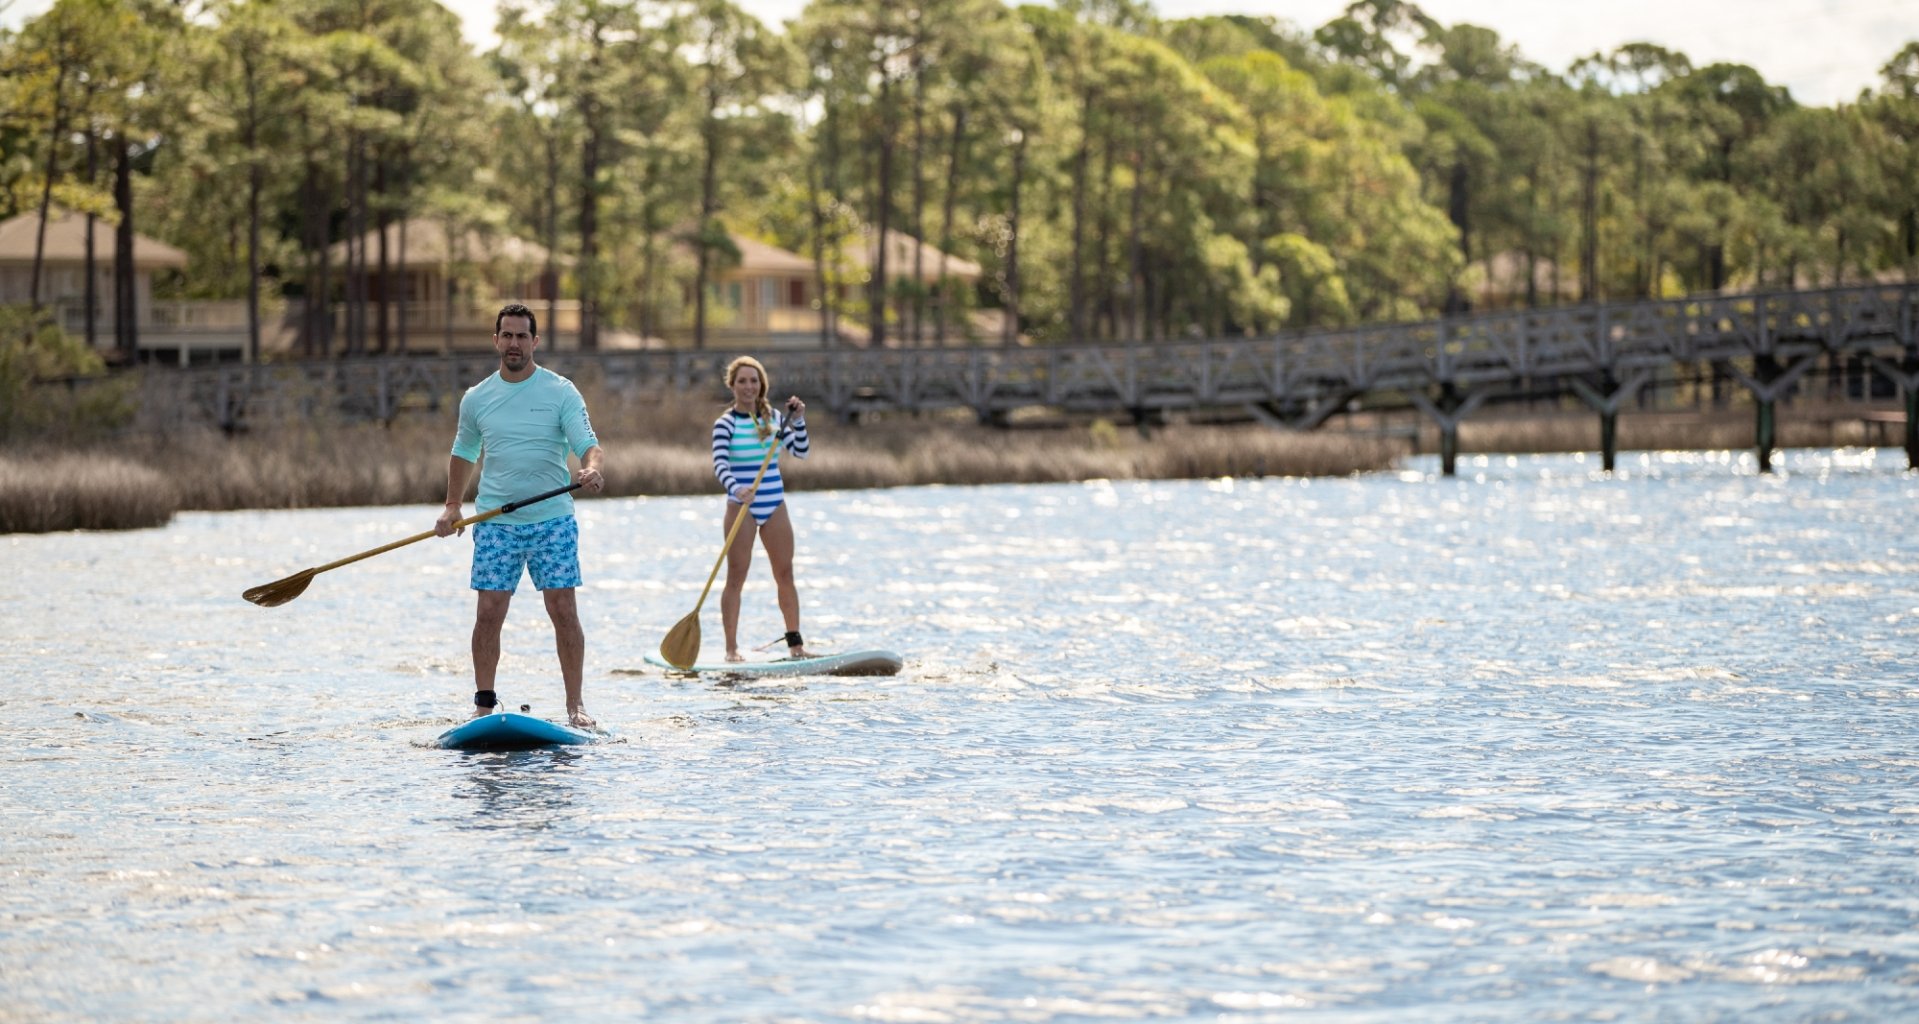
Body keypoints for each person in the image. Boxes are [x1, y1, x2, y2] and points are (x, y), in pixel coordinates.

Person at [435, 303, 605, 727]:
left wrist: (591, 469)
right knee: (489, 612)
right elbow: (463, 453)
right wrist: (453, 505)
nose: (514, 343)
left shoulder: (561, 390)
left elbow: (589, 444)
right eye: (506, 336)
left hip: (553, 520)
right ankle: (484, 704)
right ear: (496, 341)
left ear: (535, 341)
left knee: (563, 609)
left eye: (522, 336)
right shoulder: (477, 398)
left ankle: (575, 706)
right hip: (496, 521)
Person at [711, 355, 813, 662]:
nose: (748, 386)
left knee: (785, 574)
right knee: (736, 577)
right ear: (732, 385)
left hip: (774, 504)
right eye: (742, 381)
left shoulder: (775, 421)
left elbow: (801, 451)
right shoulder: (725, 424)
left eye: (753, 381)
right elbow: (719, 464)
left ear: (761, 385)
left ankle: (795, 645)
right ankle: (731, 649)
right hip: (742, 506)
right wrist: (736, 488)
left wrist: (797, 420)